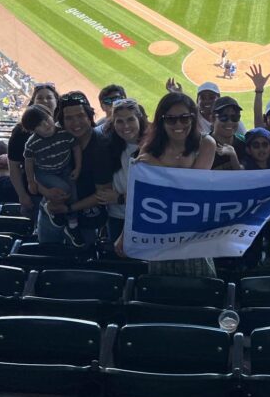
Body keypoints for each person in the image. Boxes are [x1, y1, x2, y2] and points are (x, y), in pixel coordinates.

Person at [117, 92, 218, 277]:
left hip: (193, 230)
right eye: (171, 119)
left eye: (184, 118)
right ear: (161, 121)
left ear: (193, 118)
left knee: (201, 288)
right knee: (162, 289)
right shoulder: (149, 148)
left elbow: (191, 189)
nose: (178, 124)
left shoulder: (206, 144)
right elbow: (141, 197)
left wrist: (155, 165)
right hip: (161, 230)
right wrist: (125, 236)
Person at [42, 91, 114, 248]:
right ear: (61, 121)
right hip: (52, 209)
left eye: (80, 116)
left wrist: (67, 208)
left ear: (89, 116)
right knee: (47, 253)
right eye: (69, 118)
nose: (76, 123)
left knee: (82, 260)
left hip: (85, 217)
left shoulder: (101, 146)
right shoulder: (54, 141)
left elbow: (103, 193)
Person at [22, 103, 82, 245]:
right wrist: (31, 181)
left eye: (47, 119)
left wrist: (78, 168)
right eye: (40, 125)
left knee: (73, 194)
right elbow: (28, 163)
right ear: (32, 130)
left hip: (65, 168)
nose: (46, 125)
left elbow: (76, 148)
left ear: (51, 116)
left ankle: (72, 225)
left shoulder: (64, 133)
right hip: (45, 172)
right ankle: (51, 209)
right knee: (65, 189)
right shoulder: (32, 143)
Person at [100, 98, 149, 246]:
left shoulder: (154, 148)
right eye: (119, 121)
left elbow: (154, 191)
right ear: (113, 124)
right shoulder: (107, 146)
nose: (125, 126)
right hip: (116, 217)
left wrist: (120, 198)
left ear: (139, 119)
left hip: (146, 217)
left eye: (130, 119)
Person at [7, 83, 60, 219]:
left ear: (56, 101)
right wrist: (22, 195)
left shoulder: (64, 126)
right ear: (33, 102)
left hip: (64, 191)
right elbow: (13, 167)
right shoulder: (20, 130)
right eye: (40, 98)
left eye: (49, 97)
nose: (45, 101)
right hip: (35, 195)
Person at [211, 96, 245, 170]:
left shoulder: (244, 145)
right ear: (213, 119)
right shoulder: (202, 145)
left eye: (235, 117)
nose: (229, 122)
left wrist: (233, 155)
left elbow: (245, 176)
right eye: (224, 117)